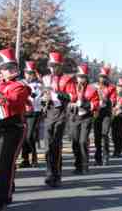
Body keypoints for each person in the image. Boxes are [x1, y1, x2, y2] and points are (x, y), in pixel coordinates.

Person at [0, 48, 31, 211]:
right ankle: (9, 186)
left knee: (6, 163)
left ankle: (3, 197)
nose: (10, 70)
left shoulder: (21, 85)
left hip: (14, 127)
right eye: (6, 67)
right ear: (0, 71)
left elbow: (9, 101)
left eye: (12, 66)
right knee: (1, 162)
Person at [42, 52, 76, 187]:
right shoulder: (45, 79)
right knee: (47, 146)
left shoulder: (67, 79)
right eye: (51, 66)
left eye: (55, 66)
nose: (53, 69)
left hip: (61, 113)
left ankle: (56, 175)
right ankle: (49, 172)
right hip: (48, 112)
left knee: (55, 144)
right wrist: (43, 97)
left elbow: (71, 96)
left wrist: (56, 93)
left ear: (60, 66)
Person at [69, 64, 99, 174]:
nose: (80, 79)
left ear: (86, 77)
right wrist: (71, 103)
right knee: (75, 142)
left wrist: (84, 104)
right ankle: (78, 165)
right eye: (79, 76)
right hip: (75, 117)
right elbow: (69, 99)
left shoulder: (92, 89)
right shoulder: (72, 87)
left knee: (82, 141)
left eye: (83, 77)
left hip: (86, 117)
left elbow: (95, 104)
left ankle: (85, 165)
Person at [19, 61, 43, 168]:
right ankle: (25, 159)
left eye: (31, 73)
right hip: (23, 112)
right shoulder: (21, 83)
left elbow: (35, 98)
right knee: (23, 137)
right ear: (24, 73)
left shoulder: (38, 85)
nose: (29, 75)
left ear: (34, 74)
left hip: (34, 112)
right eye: (27, 73)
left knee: (30, 136)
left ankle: (34, 157)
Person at [94, 66, 117, 166]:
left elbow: (114, 100)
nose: (102, 79)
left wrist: (105, 99)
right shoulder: (94, 86)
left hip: (106, 113)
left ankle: (105, 156)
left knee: (104, 134)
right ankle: (97, 158)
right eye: (101, 77)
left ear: (107, 78)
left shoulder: (111, 88)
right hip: (96, 113)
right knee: (97, 137)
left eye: (104, 77)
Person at [111, 78, 122, 157]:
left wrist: (121, 108)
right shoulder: (114, 94)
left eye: (121, 86)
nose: (119, 88)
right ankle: (116, 149)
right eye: (118, 86)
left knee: (120, 134)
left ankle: (118, 151)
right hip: (114, 116)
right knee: (113, 134)